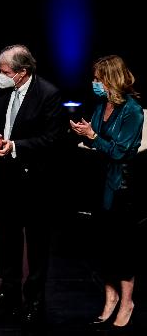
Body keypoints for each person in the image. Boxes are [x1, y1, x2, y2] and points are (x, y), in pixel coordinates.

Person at [0, 44, 66, 325]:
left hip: (35, 181)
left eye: (4, 71)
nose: (0, 75)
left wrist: (14, 146)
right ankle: (9, 289)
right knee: (6, 238)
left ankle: (36, 297)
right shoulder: (2, 89)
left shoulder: (48, 95)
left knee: (37, 242)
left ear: (22, 72)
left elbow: (51, 139)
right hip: (5, 178)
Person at [70, 55, 143, 330]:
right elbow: (98, 139)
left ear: (112, 79)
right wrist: (85, 132)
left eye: (99, 79)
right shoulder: (104, 105)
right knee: (104, 248)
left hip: (121, 187)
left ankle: (127, 303)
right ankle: (110, 298)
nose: (95, 83)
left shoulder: (132, 110)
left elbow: (119, 151)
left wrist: (92, 137)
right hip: (99, 184)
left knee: (122, 250)